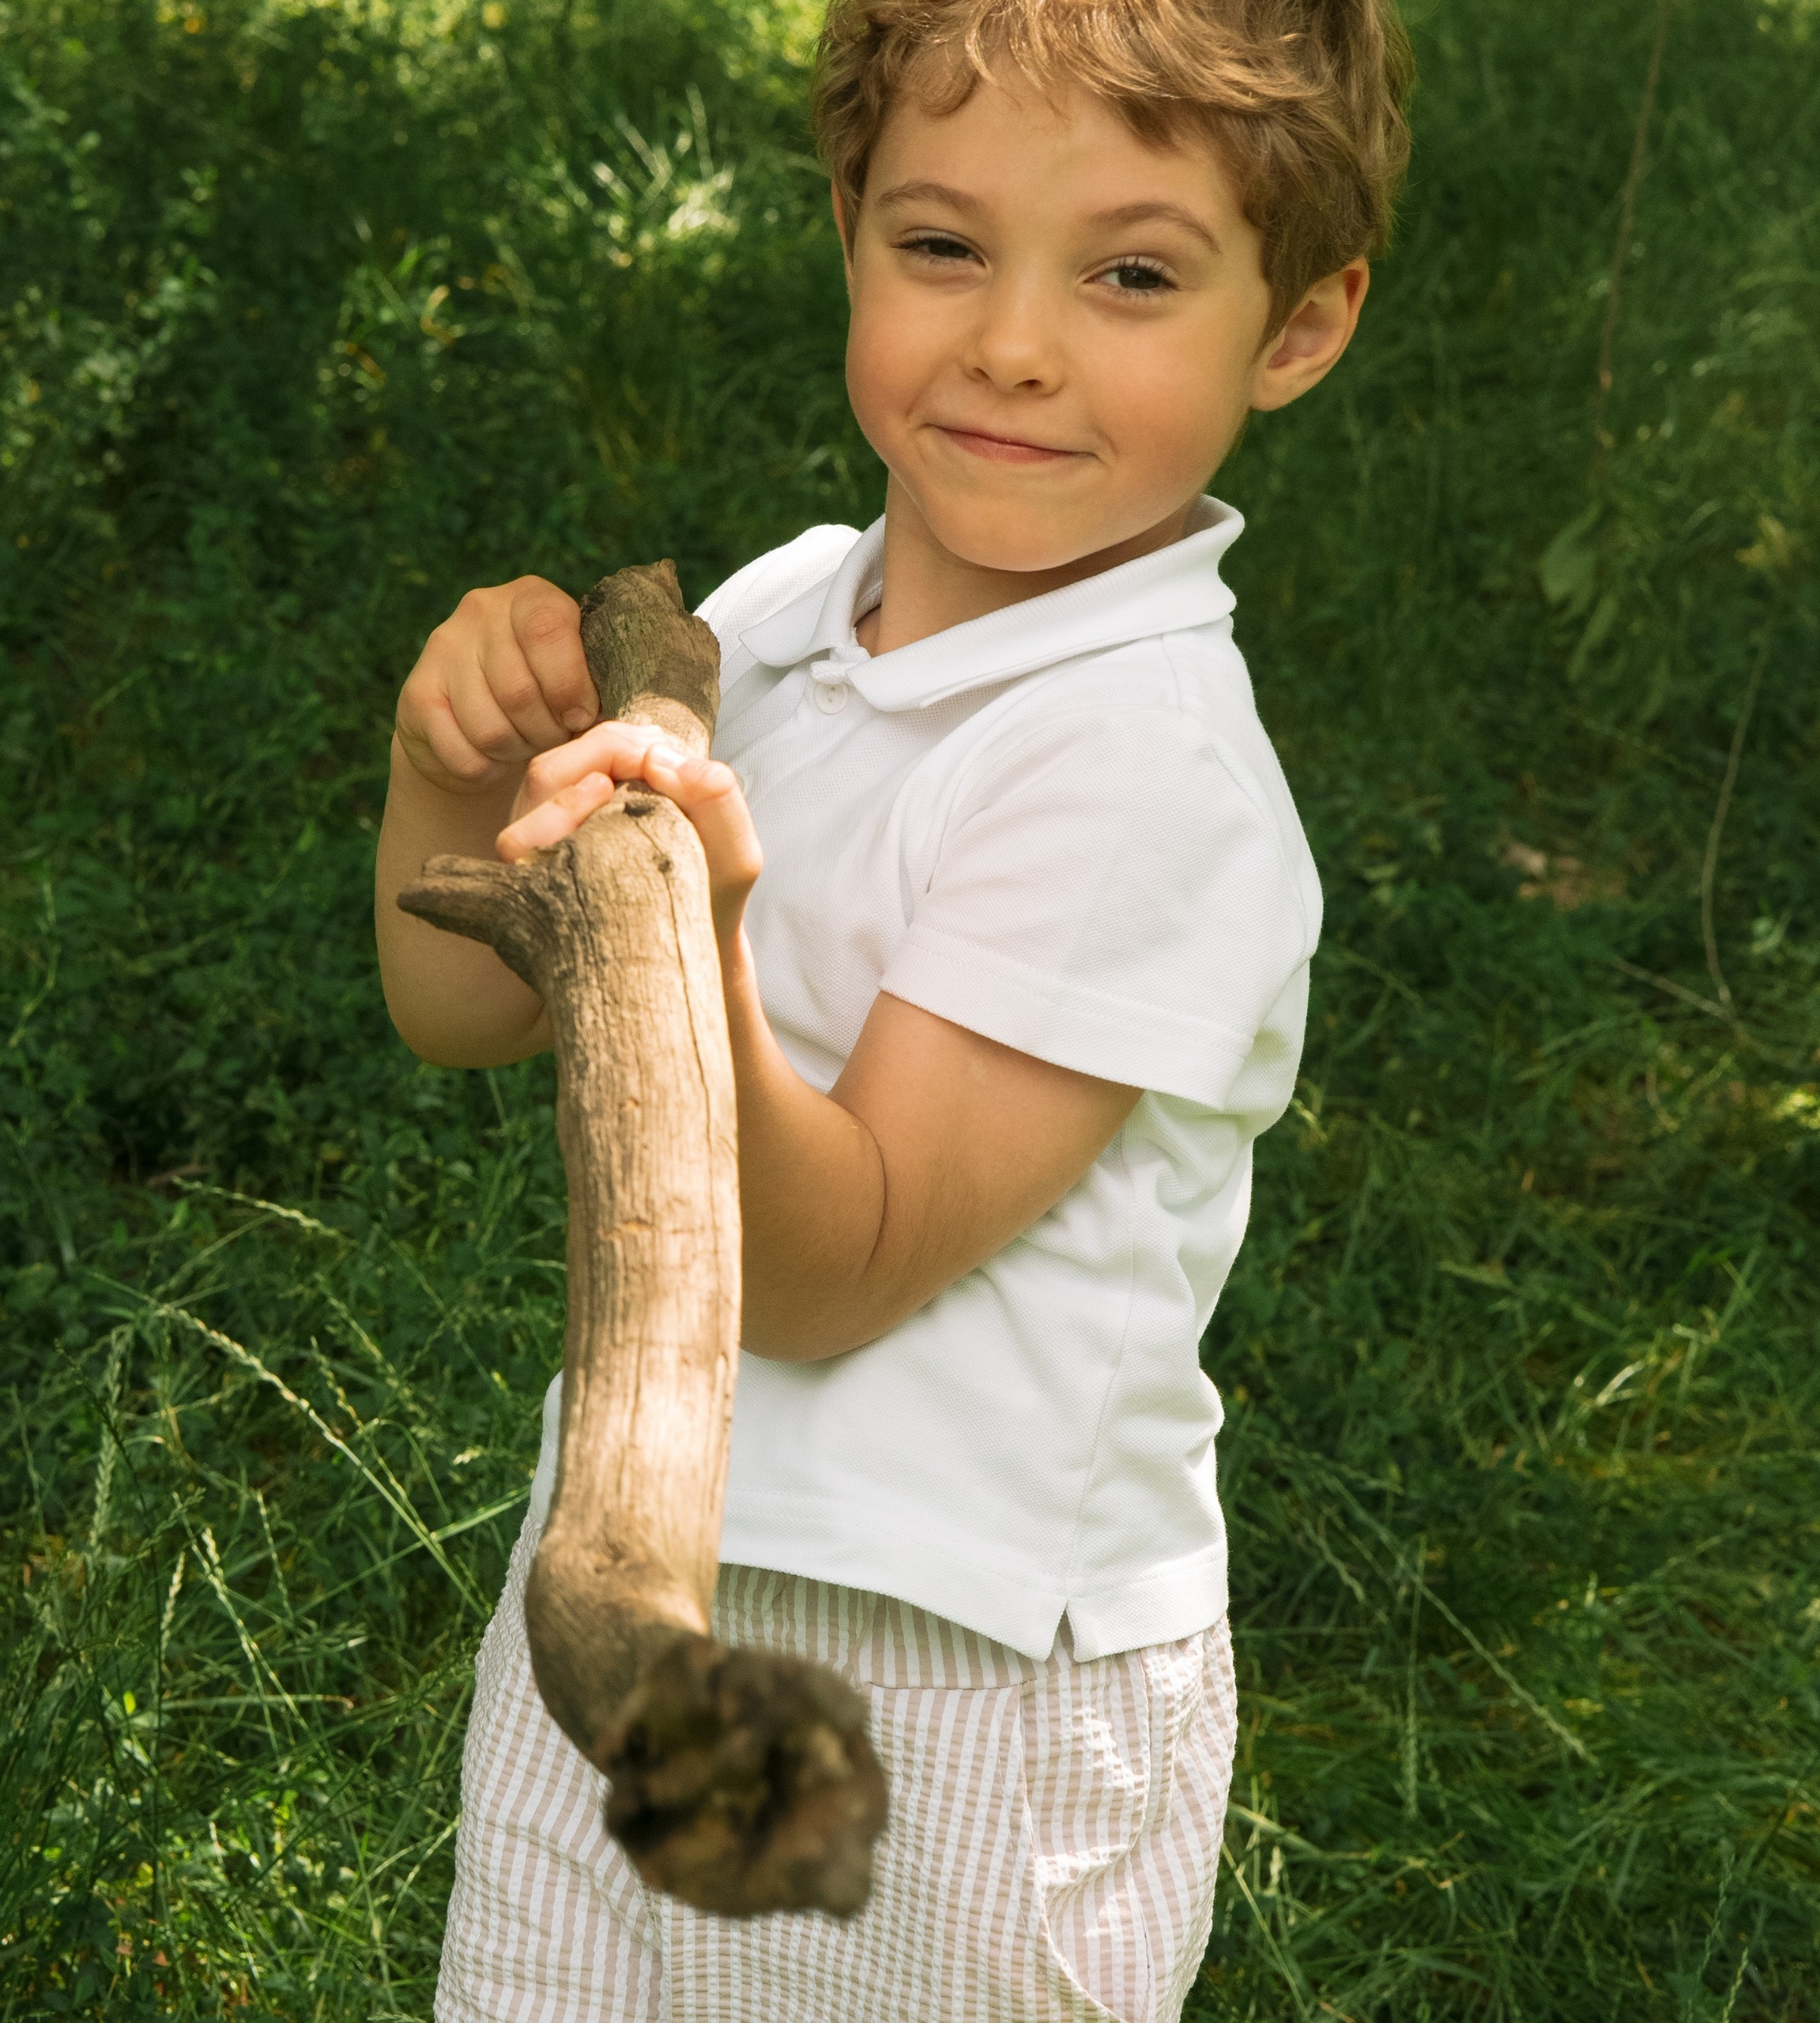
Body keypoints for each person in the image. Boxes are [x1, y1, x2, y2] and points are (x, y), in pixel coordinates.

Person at [377, 2, 1411, 2015]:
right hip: (641, 1561)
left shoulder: (1136, 765)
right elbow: (456, 1008)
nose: (1012, 343)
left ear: (1294, 326)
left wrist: (687, 937)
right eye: (941, 246)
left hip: (960, 1668)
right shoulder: (778, 614)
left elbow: (828, 1269)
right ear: (846, 225)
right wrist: (453, 771)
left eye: (1130, 276)